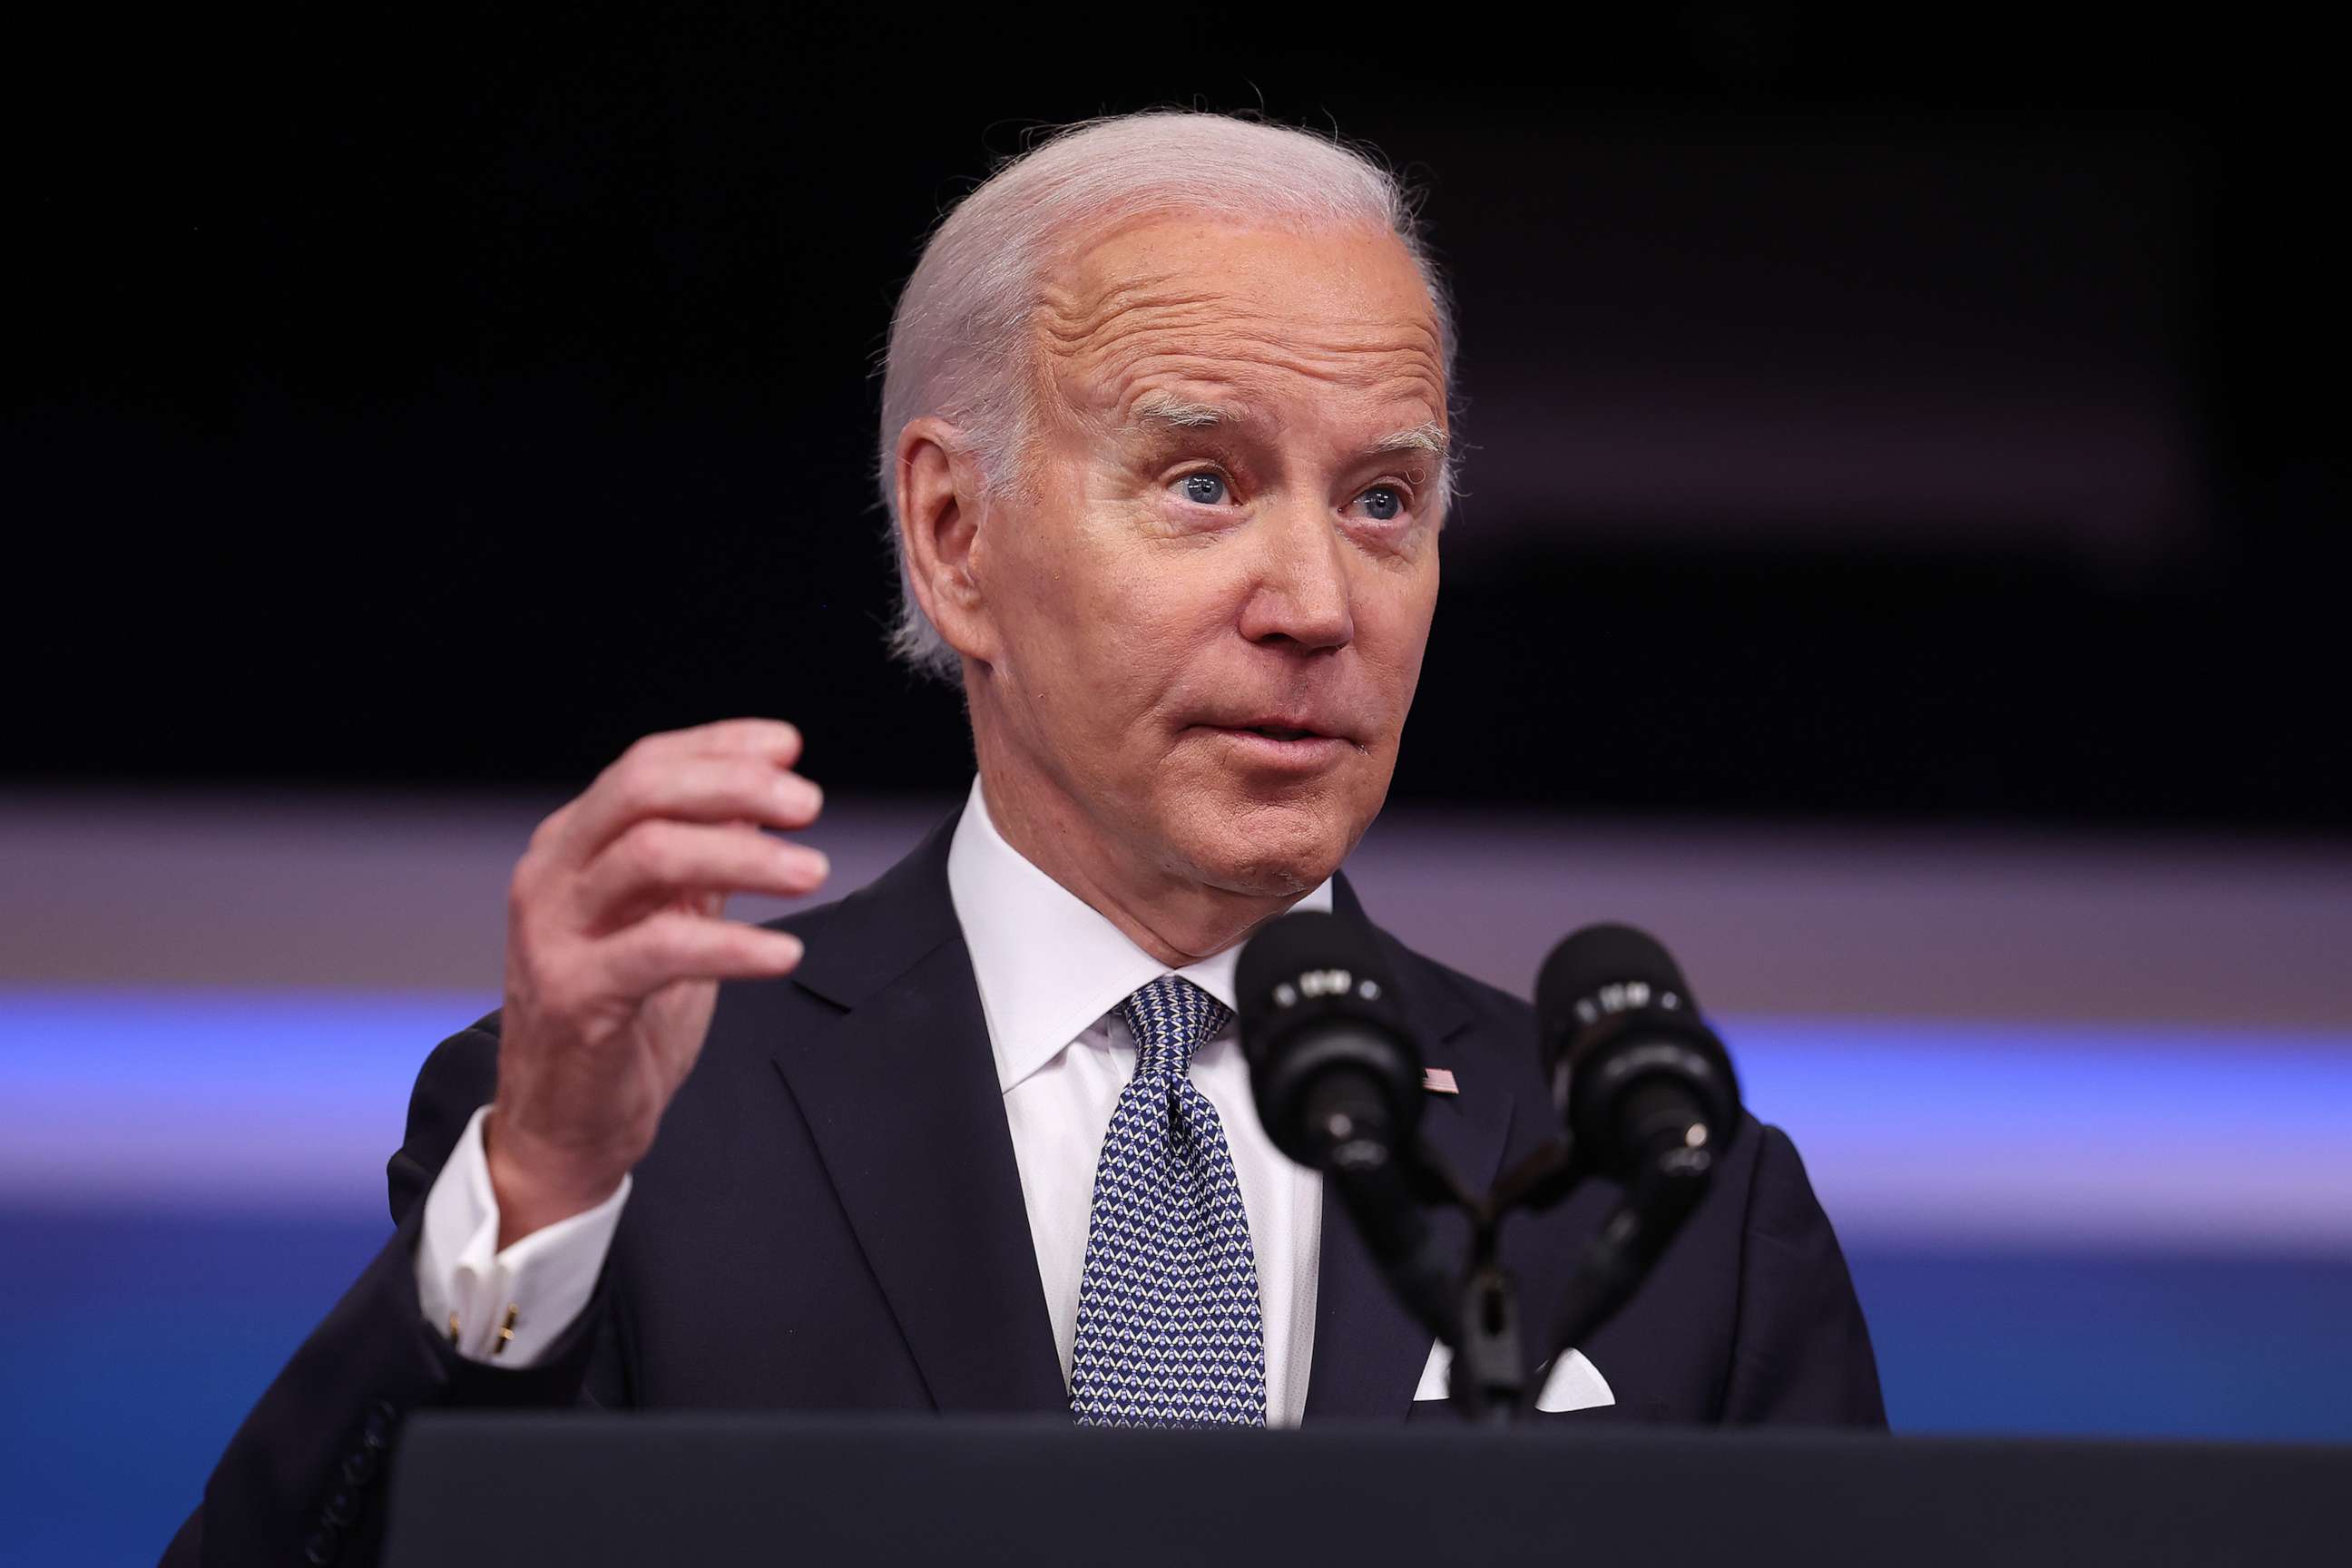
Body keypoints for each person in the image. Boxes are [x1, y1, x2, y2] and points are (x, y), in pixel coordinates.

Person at [165, 110, 1882, 1567]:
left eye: (1383, 500)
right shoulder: (624, 1131)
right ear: (952, 534)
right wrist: (537, 1200)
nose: (1315, 604)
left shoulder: (1679, 1200)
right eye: (1202, 481)